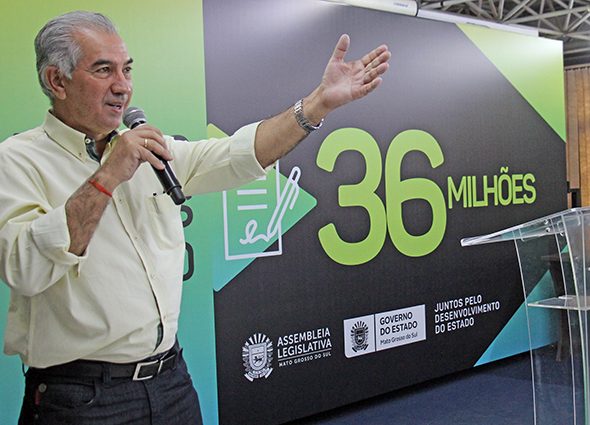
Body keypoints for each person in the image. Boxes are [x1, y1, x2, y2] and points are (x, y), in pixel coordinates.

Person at [0, 10, 390, 424]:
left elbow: (238, 155)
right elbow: (25, 268)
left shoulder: (149, 150)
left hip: (171, 382)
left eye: (127, 69)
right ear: (56, 81)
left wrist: (317, 104)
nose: (123, 86)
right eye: (103, 70)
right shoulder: (18, 160)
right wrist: (108, 176)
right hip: (82, 399)